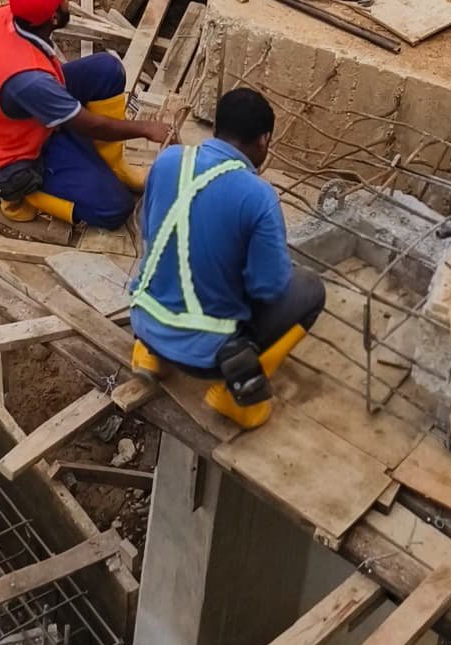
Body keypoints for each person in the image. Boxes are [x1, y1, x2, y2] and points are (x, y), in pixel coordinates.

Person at [128, 86, 325, 408]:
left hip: (144, 320)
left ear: (216, 129)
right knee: (310, 288)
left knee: (170, 260)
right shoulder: (258, 195)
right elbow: (269, 288)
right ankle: (236, 393)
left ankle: (150, 357)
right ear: (263, 140)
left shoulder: (168, 160)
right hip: (205, 357)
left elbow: (151, 232)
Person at [0, 0, 158, 229]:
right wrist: (147, 129)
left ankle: (115, 166)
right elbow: (94, 126)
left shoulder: (9, 15)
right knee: (115, 209)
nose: (69, 0)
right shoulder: (29, 80)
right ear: (54, 18)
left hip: (31, 117)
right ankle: (22, 193)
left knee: (107, 69)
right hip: (20, 157)